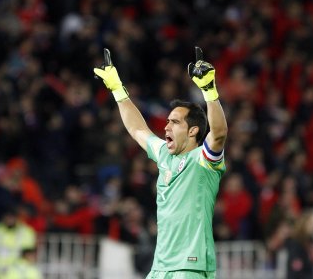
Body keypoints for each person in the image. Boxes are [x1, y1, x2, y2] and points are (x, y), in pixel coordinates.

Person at [94, 46, 228, 279]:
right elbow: (137, 129)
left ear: (193, 131)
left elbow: (218, 134)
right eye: (167, 121)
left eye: (174, 122)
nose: (166, 127)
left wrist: (209, 91)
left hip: (190, 268)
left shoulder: (203, 161)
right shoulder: (164, 156)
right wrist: (117, 90)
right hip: (160, 268)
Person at [0, 207, 36, 279]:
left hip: (17, 273)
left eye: (12, 217)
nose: (9, 219)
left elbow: (29, 254)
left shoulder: (26, 232)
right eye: (7, 216)